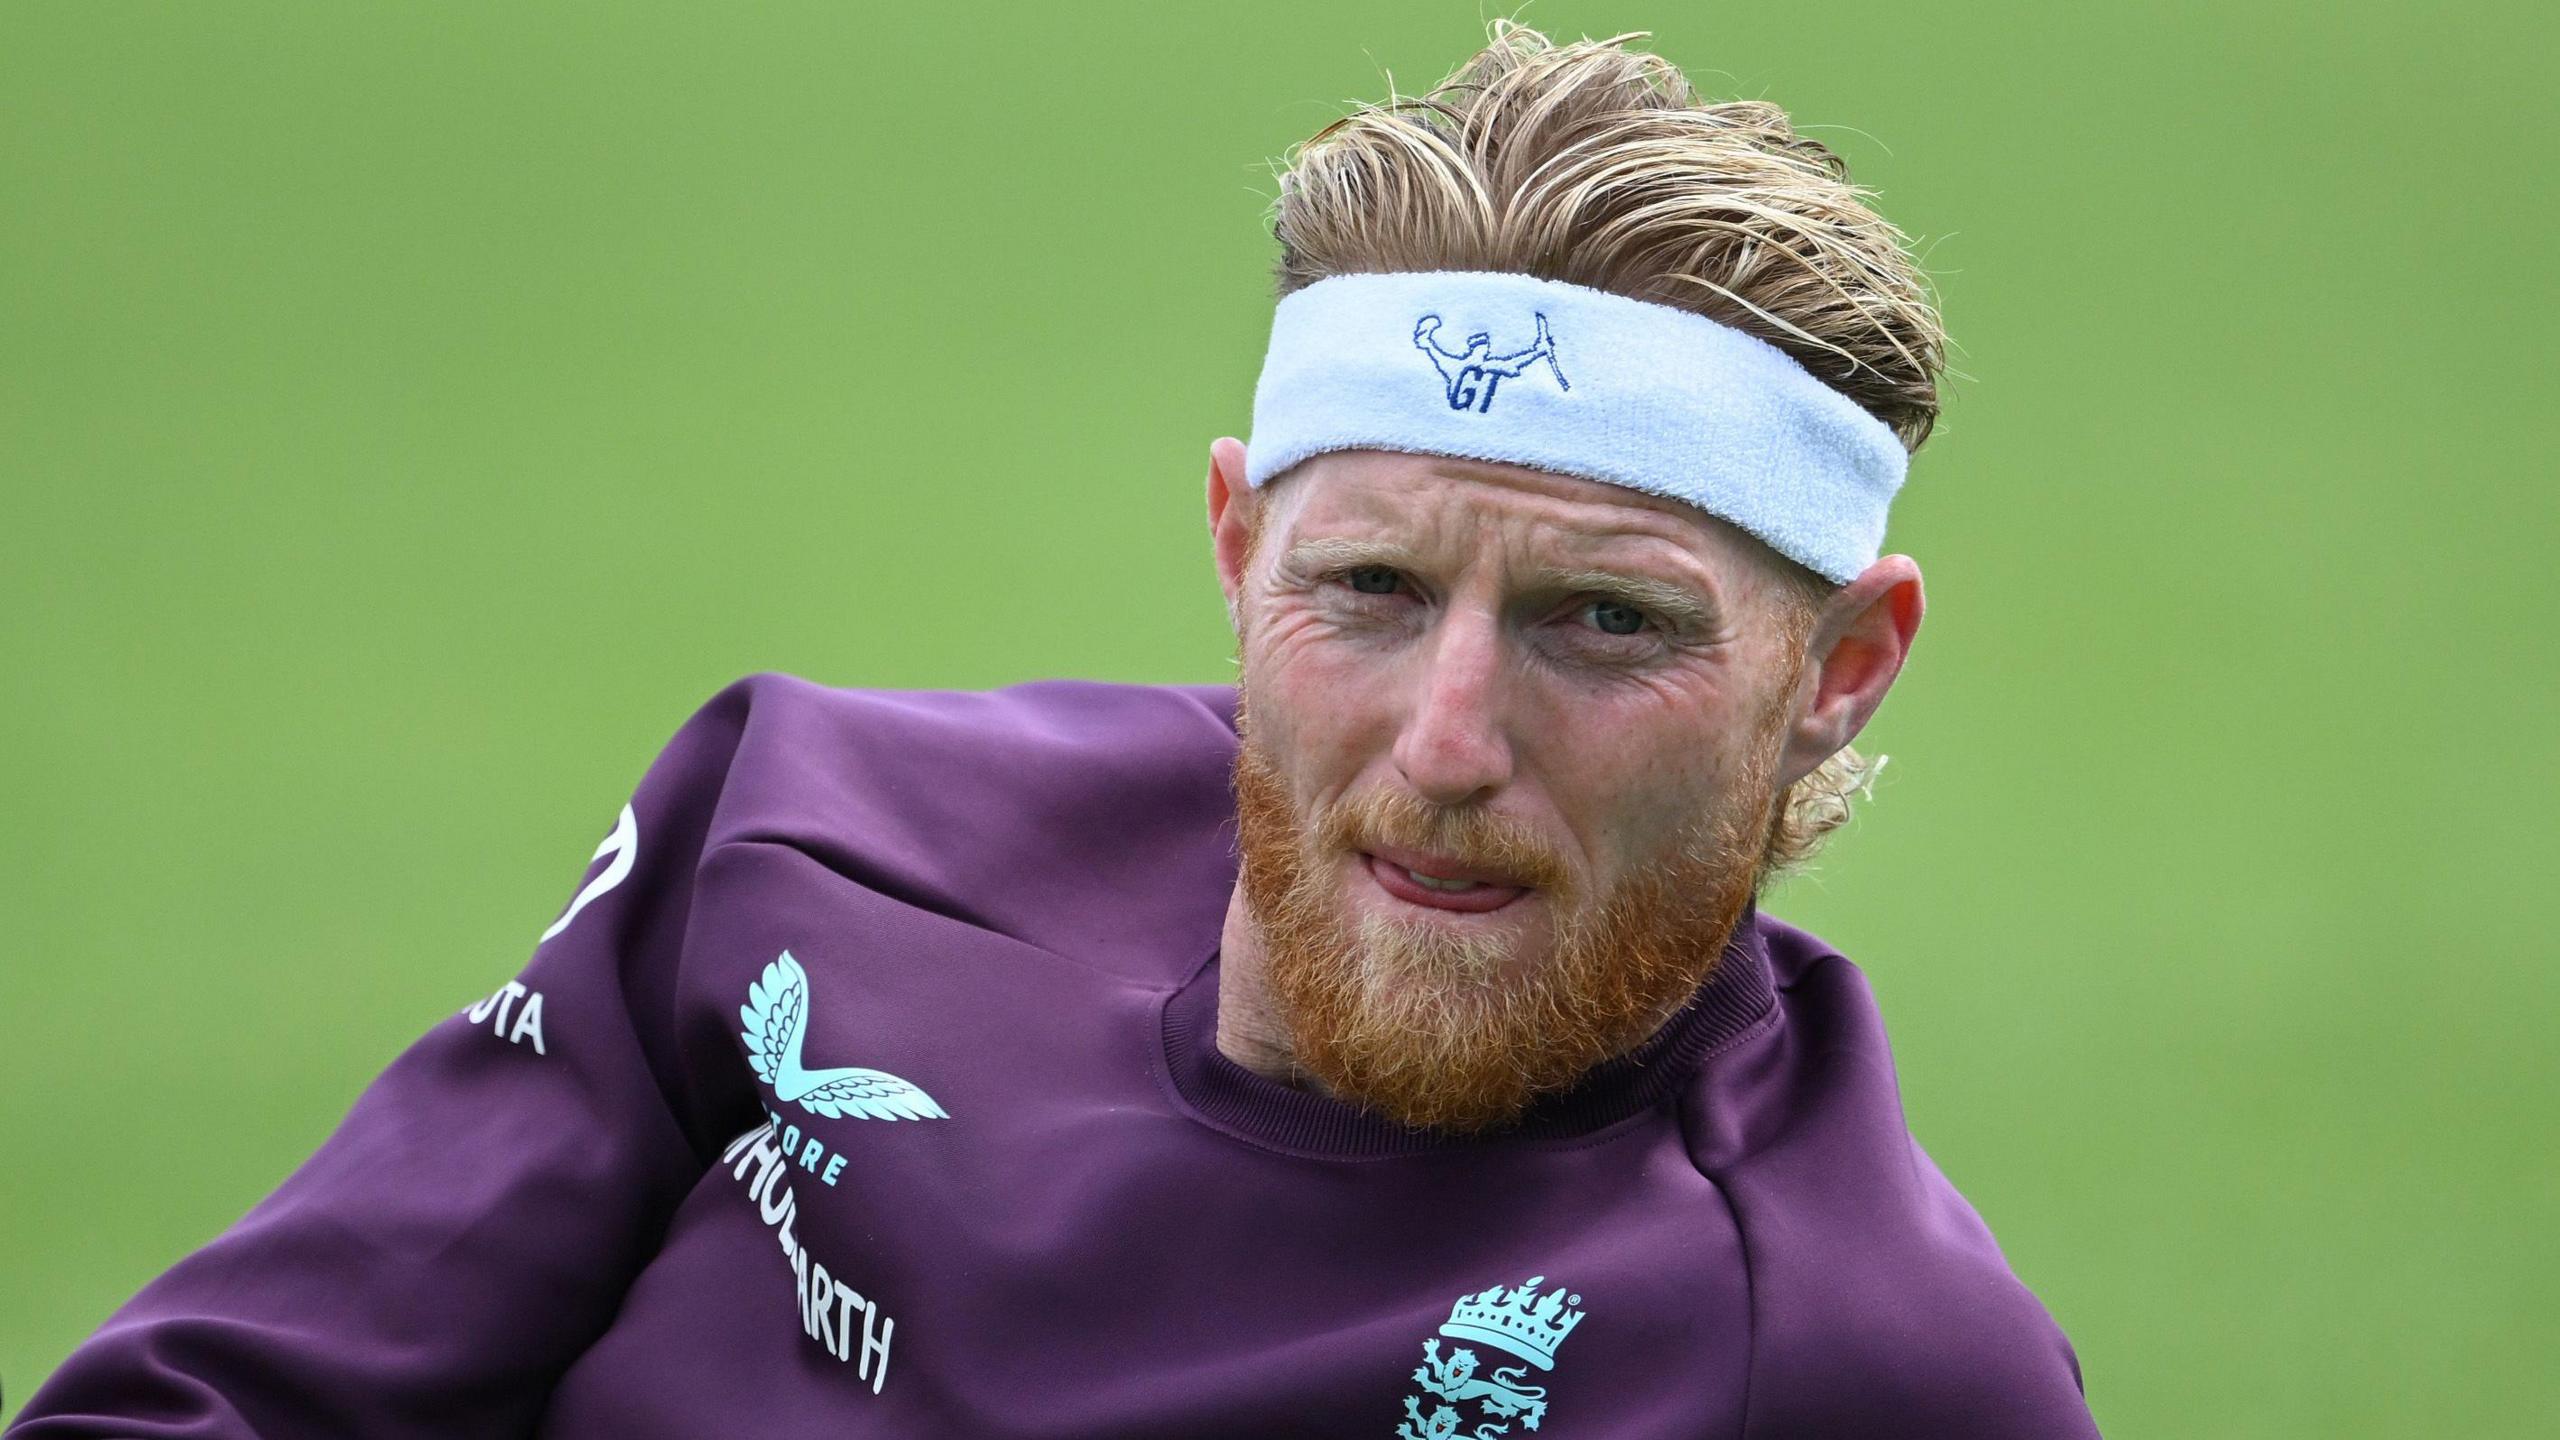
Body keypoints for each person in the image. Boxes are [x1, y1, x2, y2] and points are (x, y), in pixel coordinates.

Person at [9, 24, 2102, 1438]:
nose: (1448, 737)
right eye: (1368, 589)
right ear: (1232, 541)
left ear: (1838, 669)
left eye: (1602, 623)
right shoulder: (807, 835)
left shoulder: (1832, 1351)